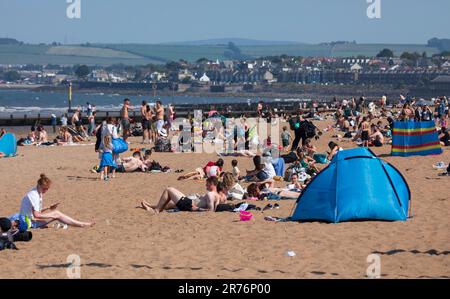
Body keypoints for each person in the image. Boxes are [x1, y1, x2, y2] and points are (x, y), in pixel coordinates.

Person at [19, 174, 94, 228]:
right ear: (39, 185)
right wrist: (53, 215)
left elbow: (35, 211)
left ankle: (80, 224)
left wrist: (49, 208)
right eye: (44, 188)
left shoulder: (38, 191)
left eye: (47, 189)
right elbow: (37, 215)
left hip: (29, 219)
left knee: (56, 213)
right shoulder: (34, 195)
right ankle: (81, 224)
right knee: (57, 214)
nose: (46, 191)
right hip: (27, 222)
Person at [140, 177, 221, 213]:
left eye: (207, 184)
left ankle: (156, 211)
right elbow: (215, 206)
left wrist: (197, 208)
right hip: (189, 202)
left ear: (212, 184)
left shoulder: (210, 194)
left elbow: (211, 211)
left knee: (169, 189)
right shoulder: (216, 195)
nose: (206, 186)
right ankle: (150, 205)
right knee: (170, 203)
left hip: (189, 204)